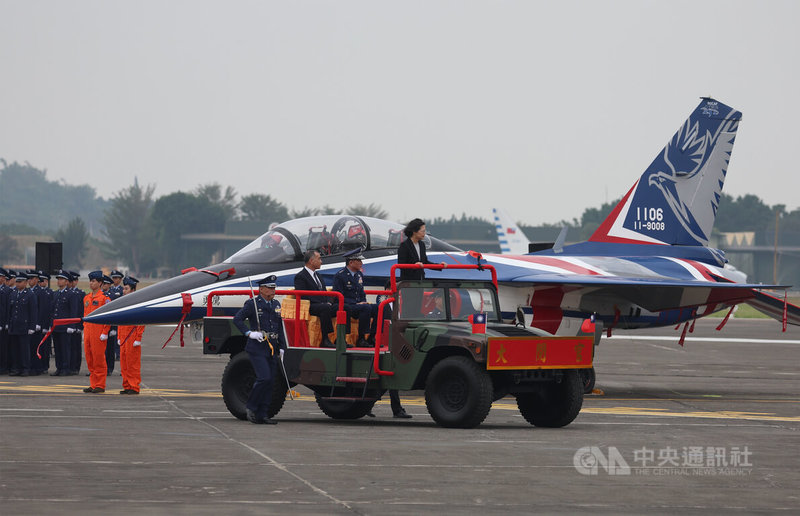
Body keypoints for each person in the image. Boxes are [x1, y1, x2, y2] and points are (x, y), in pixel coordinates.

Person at [233, 275, 286, 424]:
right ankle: (251, 407)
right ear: (261, 289)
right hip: (257, 347)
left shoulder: (275, 304)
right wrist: (249, 333)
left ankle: (263, 414)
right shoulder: (252, 304)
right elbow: (237, 319)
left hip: (272, 347)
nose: (273, 290)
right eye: (269, 288)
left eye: (274, 288)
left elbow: (279, 327)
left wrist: (282, 347)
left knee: (271, 382)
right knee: (264, 378)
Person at [397, 218, 446, 317]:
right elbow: (401, 264)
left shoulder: (422, 245)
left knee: (417, 306)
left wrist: (439, 266)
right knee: (408, 307)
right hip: (408, 281)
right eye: (422, 231)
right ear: (414, 231)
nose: (424, 233)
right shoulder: (404, 246)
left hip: (419, 281)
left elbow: (425, 262)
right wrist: (414, 266)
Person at [332, 250, 379, 346]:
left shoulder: (359, 275)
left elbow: (362, 293)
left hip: (358, 306)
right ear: (351, 262)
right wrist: (356, 303)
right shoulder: (340, 275)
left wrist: (363, 301)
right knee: (365, 308)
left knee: (378, 308)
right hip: (347, 305)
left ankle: (372, 337)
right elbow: (338, 295)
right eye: (359, 261)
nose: (361, 263)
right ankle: (361, 339)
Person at [294, 250, 336, 348]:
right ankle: (325, 339)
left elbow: (325, 292)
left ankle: (340, 338)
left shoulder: (318, 275)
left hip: (323, 305)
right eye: (319, 259)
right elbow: (303, 296)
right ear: (311, 261)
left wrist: (329, 302)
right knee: (325, 308)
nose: (321, 261)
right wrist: (323, 303)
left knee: (342, 307)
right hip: (310, 306)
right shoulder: (300, 276)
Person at [82, 271, 111, 393]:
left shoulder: (105, 299)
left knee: (98, 358)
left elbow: (108, 317)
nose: (91, 283)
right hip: (88, 331)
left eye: (94, 281)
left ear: (100, 283)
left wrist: (105, 332)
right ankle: (93, 383)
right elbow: (85, 315)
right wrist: (84, 330)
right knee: (90, 358)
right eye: (90, 281)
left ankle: (100, 384)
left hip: (98, 332)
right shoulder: (87, 298)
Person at [7, 271, 38, 377]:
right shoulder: (13, 293)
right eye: (17, 282)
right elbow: (10, 311)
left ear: (25, 283)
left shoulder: (30, 294)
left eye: (20, 282)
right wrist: (9, 324)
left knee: (24, 349)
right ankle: (16, 368)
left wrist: (32, 327)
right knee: (15, 349)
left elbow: (33, 312)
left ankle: (25, 368)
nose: (18, 284)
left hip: (24, 326)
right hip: (14, 325)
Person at [117, 276, 144, 394]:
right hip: (123, 337)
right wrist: (118, 336)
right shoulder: (122, 302)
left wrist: (138, 338)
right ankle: (127, 385)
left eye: (126, 288)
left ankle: (134, 386)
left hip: (132, 337)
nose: (124, 291)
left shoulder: (138, 303)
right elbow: (118, 321)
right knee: (124, 363)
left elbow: (142, 322)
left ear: (133, 290)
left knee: (132, 364)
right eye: (124, 288)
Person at [50, 270, 78, 376]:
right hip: (56, 326)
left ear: (66, 282)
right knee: (57, 348)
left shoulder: (71, 294)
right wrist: (51, 324)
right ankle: (59, 367)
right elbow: (52, 310)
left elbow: (73, 311)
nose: (59, 281)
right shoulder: (55, 293)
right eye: (58, 279)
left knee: (65, 348)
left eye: (61, 279)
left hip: (65, 326)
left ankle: (66, 368)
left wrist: (71, 325)